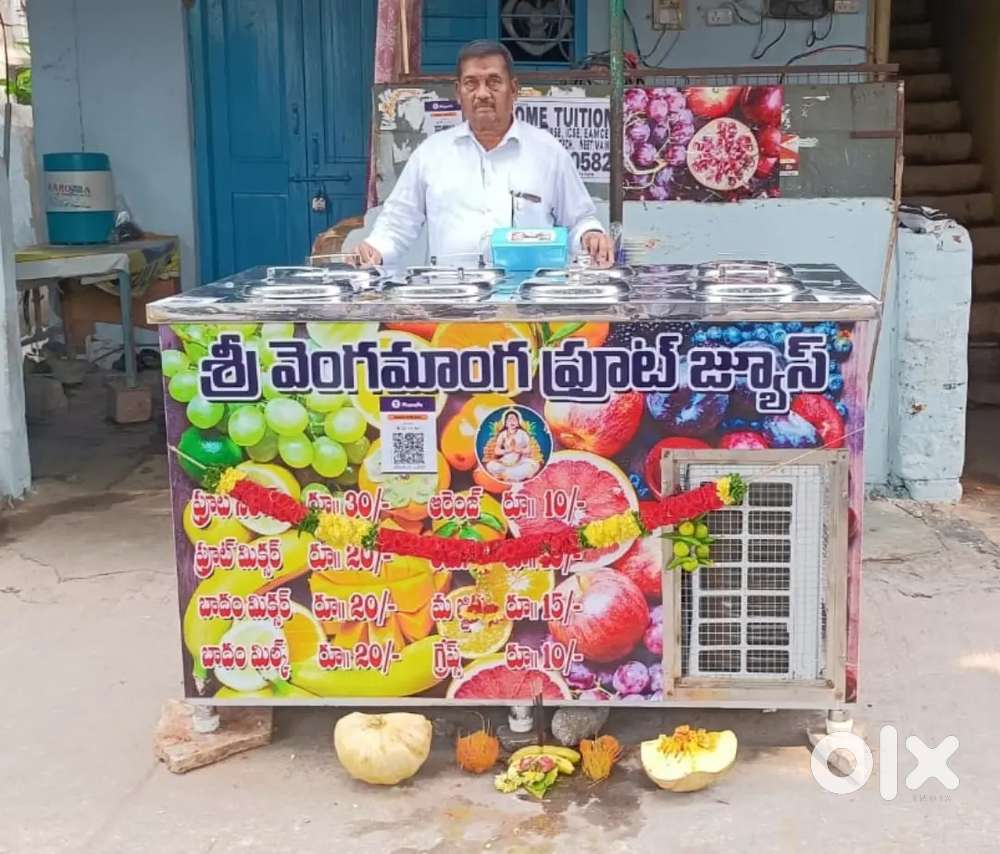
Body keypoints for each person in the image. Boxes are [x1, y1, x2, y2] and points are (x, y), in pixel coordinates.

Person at [356, 40, 613, 269]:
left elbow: (579, 219)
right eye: (471, 84)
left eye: (493, 82)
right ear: (458, 92)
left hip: (528, 304)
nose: (482, 94)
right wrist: (375, 249)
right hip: (453, 303)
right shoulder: (431, 154)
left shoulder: (548, 152)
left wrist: (591, 236)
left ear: (514, 90)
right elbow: (398, 222)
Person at [485, 409, 542, 483]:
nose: (512, 422)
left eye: (514, 420)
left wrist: (518, 450)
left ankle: (509, 475)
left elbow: (528, 450)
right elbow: (497, 451)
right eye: (509, 420)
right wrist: (507, 451)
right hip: (505, 461)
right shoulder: (503, 434)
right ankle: (511, 475)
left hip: (521, 461)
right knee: (491, 465)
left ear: (518, 423)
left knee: (533, 465)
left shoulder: (522, 434)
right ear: (505, 423)